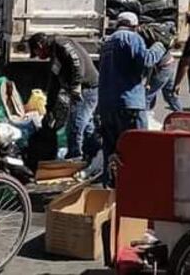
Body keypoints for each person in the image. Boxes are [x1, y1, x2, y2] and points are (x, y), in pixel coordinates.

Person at [97, 12, 165, 186]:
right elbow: (146, 61)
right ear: (134, 26)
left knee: (111, 149)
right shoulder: (131, 38)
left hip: (106, 104)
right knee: (137, 146)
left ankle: (111, 189)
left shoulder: (107, 42)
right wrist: (160, 45)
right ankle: (137, 187)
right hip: (129, 104)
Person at [27, 32, 100, 165]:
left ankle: (74, 158)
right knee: (86, 125)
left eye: (36, 52)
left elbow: (77, 61)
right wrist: (49, 108)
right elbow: (54, 84)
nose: (38, 57)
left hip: (87, 89)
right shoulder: (54, 56)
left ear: (40, 45)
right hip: (80, 90)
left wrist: (77, 84)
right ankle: (93, 155)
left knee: (75, 125)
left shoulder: (60, 43)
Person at [139, 25, 182, 112]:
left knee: (146, 97)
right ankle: (182, 116)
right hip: (169, 64)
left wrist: (147, 82)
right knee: (170, 95)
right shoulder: (155, 39)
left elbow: (150, 64)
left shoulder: (143, 40)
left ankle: (143, 121)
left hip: (162, 68)